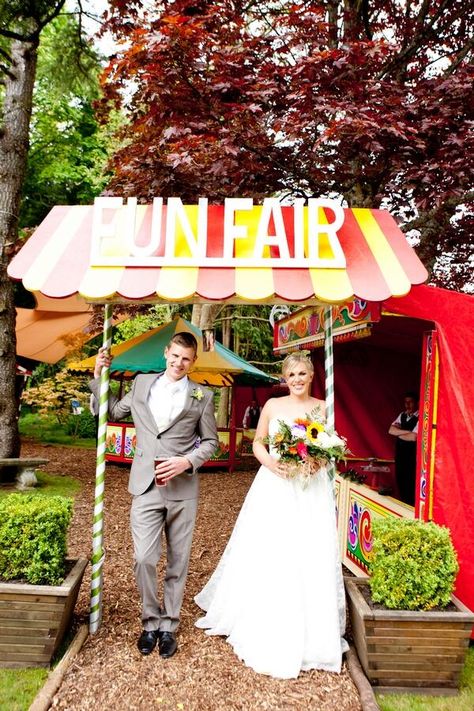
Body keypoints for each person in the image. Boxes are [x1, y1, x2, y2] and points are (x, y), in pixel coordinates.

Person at [194, 352, 347, 679]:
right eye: (292, 375)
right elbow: (259, 444)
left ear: (310, 376)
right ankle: (265, 617)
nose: (298, 380)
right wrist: (272, 463)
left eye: (303, 374)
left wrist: (318, 461)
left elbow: (327, 444)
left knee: (310, 548)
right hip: (276, 483)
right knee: (274, 549)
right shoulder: (273, 406)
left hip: (310, 486)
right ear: (284, 377)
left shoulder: (321, 406)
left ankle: (314, 631)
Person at [90, 332, 218, 659]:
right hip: (145, 485)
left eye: (186, 359)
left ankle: (169, 625)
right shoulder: (142, 384)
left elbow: (210, 442)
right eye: (175, 356)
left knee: (178, 561)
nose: (179, 363)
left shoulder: (202, 396)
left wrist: (187, 461)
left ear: (193, 362)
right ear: (166, 353)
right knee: (144, 558)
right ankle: (150, 620)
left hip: (182, 491)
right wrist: (98, 376)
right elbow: (111, 413)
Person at [389, 391, 419, 506]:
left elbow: (414, 437)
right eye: (406, 402)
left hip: (412, 457)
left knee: (410, 483)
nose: (407, 405)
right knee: (400, 481)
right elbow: (391, 430)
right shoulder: (402, 415)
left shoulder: (420, 416)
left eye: (410, 402)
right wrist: (406, 432)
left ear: (416, 403)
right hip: (400, 455)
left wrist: (399, 433)